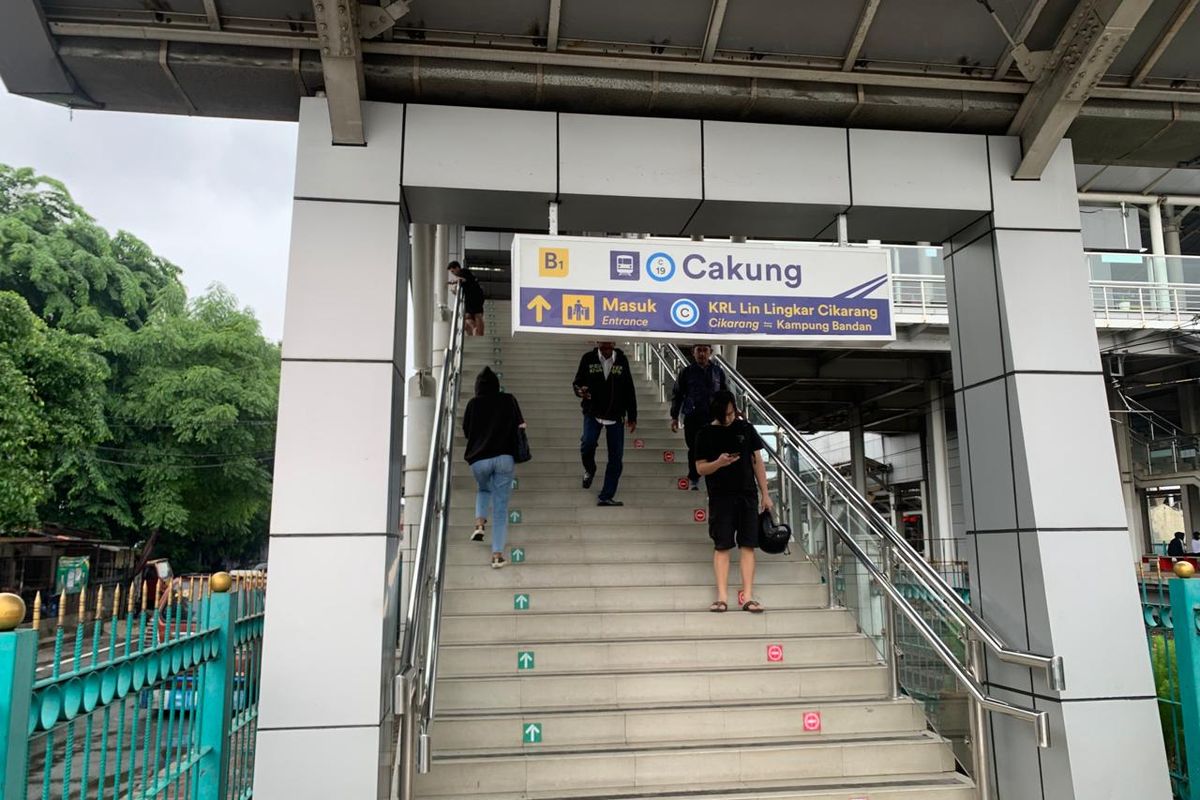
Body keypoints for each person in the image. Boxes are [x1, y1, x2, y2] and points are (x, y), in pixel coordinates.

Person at [695, 390, 772, 613]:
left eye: (731, 414)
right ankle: (721, 597)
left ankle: (747, 596)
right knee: (722, 545)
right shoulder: (705, 433)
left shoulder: (746, 428)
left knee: (748, 544)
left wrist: (765, 494)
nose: (728, 419)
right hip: (720, 497)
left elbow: (757, 462)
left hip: (747, 494)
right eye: (724, 415)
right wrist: (718, 463)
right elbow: (700, 468)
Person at [462, 367, 525, 568]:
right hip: (504, 458)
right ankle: (497, 555)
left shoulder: (473, 404)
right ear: (497, 385)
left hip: (479, 460)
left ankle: (479, 523)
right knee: (500, 508)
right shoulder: (509, 400)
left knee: (483, 489)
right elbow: (520, 425)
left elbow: (466, 431)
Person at [572, 341, 637, 506]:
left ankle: (606, 495)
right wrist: (580, 391)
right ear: (598, 342)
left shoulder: (622, 360)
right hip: (593, 412)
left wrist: (632, 416)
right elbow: (577, 382)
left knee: (616, 457)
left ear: (614, 343)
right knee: (587, 443)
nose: (607, 348)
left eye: (609, 345)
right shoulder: (588, 358)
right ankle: (590, 469)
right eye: (603, 345)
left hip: (616, 415)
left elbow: (629, 388)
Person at [670, 344, 727, 490]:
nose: (702, 354)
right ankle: (694, 478)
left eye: (705, 350)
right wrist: (674, 416)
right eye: (699, 350)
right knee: (694, 449)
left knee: (714, 449)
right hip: (692, 417)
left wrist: (728, 414)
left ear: (710, 352)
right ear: (693, 353)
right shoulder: (686, 372)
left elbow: (725, 395)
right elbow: (678, 394)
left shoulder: (718, 372)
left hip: (712, 418)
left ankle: (713, 480)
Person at [448, 260, 486, 336]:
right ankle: (475, 330)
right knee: (469, 317)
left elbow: (463, 280)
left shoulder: (464, 272)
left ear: (457, 268)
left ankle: (478, 332)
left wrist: (454, 282)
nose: (453, 274)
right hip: (472, 298)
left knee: (476, 315)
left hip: (475, 298)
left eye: (453, 271)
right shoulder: (465, 274)